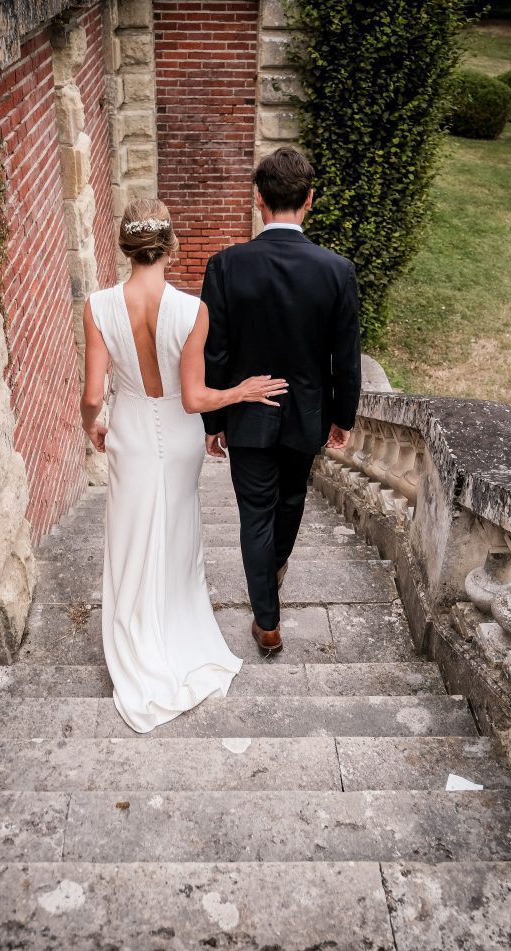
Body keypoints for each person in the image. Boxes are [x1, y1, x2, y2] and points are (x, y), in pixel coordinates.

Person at [80, 198, 288, 733]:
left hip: (127, 430)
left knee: (129, 534)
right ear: (170, 246)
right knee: (175, 532)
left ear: (125, 247)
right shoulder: (192, 310)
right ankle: (176, 624)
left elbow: (91, 394)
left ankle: (135, 631)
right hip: (179, 434)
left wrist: (91, 426)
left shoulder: (98, 305)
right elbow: (194, 400)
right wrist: (240, 391)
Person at [201, 147, 361, 655]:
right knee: (291, 501)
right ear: (309, 200)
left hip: (247, 416)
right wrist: (343, 417)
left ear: (258, 200)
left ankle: (267, 622)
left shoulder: (225, 266)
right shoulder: (337, 271)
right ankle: (274, 572)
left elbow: (215, 350)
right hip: (307, 416)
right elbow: (346, 358)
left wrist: (214, 420)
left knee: (255, 515)